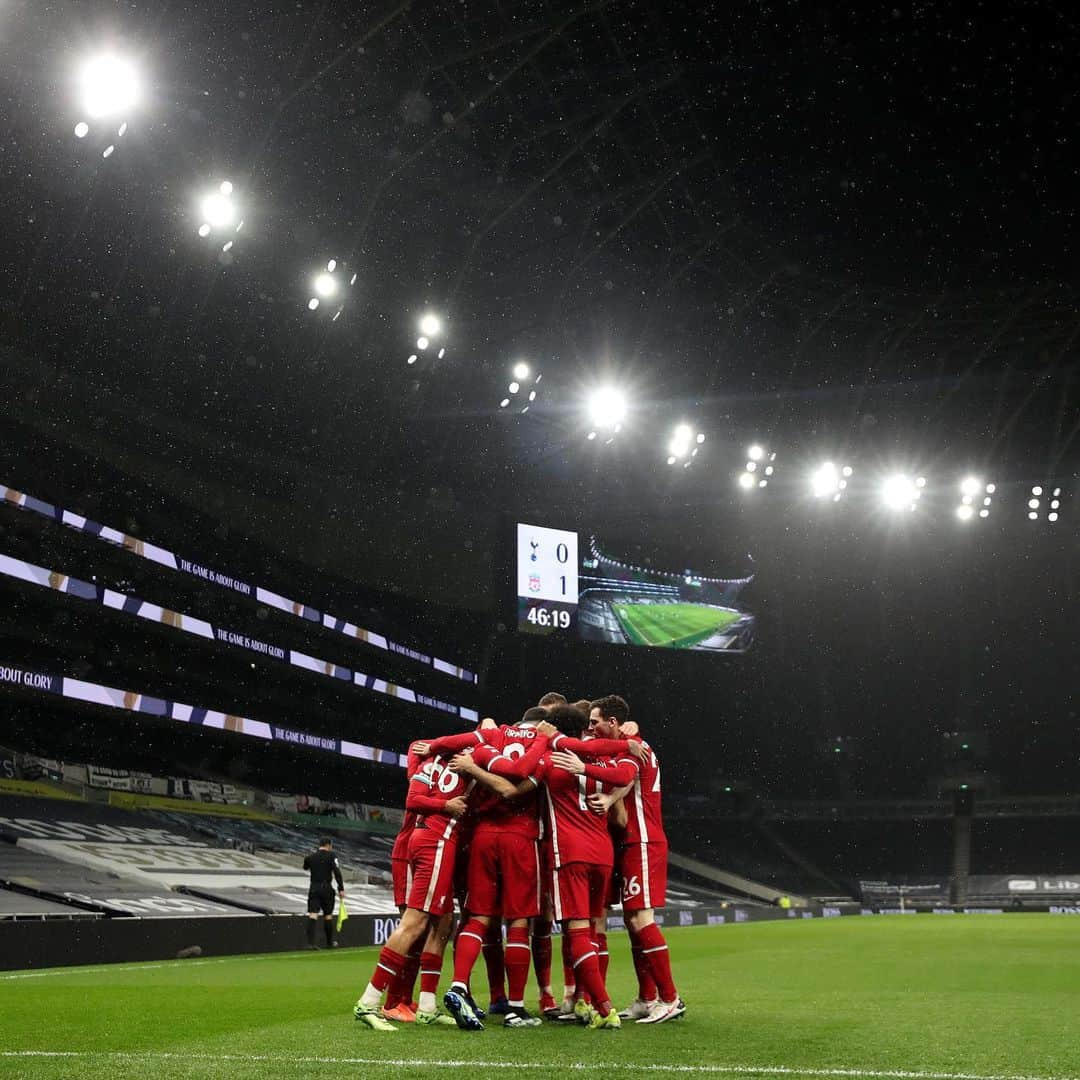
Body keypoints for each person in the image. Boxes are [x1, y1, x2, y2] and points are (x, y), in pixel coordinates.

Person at [460, 704, 639, 1030]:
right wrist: (625, 749)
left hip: (568, 852)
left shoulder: (552, 759)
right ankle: (579, 998)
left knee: (575, 931)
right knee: (596, 929)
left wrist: (475, 764)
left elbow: (512, 786)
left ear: (550, 727)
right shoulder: (605, 756)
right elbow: (626, 779)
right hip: (603, 852)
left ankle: (602, 1007)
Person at [352, 749, 470, 1030]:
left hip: (436, 843)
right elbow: (413, 797)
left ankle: (427, 1005)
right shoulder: (435, 764)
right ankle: (373, 1002)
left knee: (443, 924)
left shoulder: (439, 764)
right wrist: (446, 806)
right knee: (413, 925)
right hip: (430, 843)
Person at [584, 695, 685, 1025]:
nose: (591, 729)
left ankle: (670, 998)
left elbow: (623, 781)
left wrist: (608, 796)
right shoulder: (630, 743)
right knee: (632, 923)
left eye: (595, 722)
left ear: (612, 723)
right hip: (633, 843)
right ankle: (646, 997)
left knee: (642, 919)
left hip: (642, 840)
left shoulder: (632, 748)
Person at [303, 838, 344, 950]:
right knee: (328, 915)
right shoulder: (331, 856)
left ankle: (310, 943)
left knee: (313, 914)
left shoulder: (311, 857)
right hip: (326, 888)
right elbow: (337, 872)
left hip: (314, 888)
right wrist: (341, 888)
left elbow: (305, 866)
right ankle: (329, 943)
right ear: (328, 845)